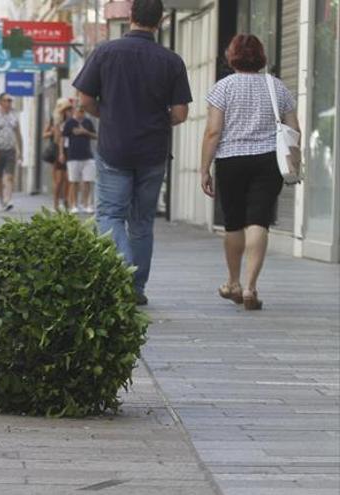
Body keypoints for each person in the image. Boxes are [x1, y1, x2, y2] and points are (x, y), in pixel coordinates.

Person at [73, 0, 192, 305]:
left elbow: (84, 100)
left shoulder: (105, 52)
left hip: (114, 148)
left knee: (110, 214)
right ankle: (136, 288)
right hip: (153, 152)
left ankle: (123, 268)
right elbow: (180, 114)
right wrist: (154, 120)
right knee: (142, 222)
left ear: (130, 16)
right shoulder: (172, 61)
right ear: (161, 20)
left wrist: (108, 115)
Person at [200, 34, 299, 310]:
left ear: (231, 56)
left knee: (234, 222)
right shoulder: (276, 87)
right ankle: (251, 288)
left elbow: (213, 132)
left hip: (231, 161)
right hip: (268, 161)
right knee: (259, 221)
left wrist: (204, 169)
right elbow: (294, 129)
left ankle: (233, 282)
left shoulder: (223, 88)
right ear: (261, 56)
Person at [0, 93, 23, 211]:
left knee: (9, 177)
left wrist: (20, 151)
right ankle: (2, 202)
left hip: (10, 151)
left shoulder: (14, 116)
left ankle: (8, 200)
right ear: (0, 102)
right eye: (7, 100)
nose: (9, 103)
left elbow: (18, 135)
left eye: (10, 101)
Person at [63, 105, 98, 213]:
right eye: (79, 111)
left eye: (83, 111)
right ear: (75, 111)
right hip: (73, 156)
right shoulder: (69, 123)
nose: (81, 113)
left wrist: (85, 132)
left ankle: (87, 204)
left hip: (88, 156)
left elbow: (96, 136)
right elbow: (62, 138)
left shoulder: (88, 122)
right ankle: (74, 205)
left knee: (88, 180)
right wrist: (61, 153)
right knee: (74, 181)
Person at [51, 99, 73, 210]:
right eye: (67, 110)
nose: (70, 112)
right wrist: (60, 153)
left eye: (70, 109)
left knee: (69, 179)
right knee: (59, 180)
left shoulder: (74, 122)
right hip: (60, 150)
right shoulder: (59, 123)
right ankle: (55, 203)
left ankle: (66, 200)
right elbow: (56, 139)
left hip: (72, 150)